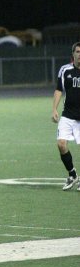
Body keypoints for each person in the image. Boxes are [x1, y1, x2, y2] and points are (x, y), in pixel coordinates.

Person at [51, 41, 80, 191]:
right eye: (78, 52)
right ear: (73, 54)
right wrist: (54, 109)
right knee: (61, 144)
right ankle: (73, 174)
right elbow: (58, 90)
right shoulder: (65, 70)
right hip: (68, 116)